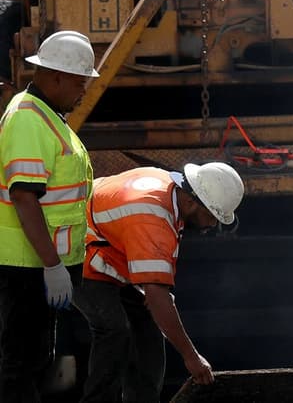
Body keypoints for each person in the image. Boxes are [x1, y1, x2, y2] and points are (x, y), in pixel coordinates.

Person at [72, 162, 244, 402]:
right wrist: (191, 357)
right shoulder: (151, 215)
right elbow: (156, 295)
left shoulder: (170, 188)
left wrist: (155, 293)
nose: (213, 224)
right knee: (114, 329)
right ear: (191, 202)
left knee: (148, 329)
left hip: (106, 252)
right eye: (212, 215)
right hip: (76, 254)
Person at [0, 30, 98, 402]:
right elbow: (25, 197)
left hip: (37, 264)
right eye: (80, 82)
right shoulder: (28, 118)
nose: (84, 91)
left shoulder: (44, 114)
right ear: (56, 76)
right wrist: (52, 264)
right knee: (22, 363)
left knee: (36, 361)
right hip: (27, 265)